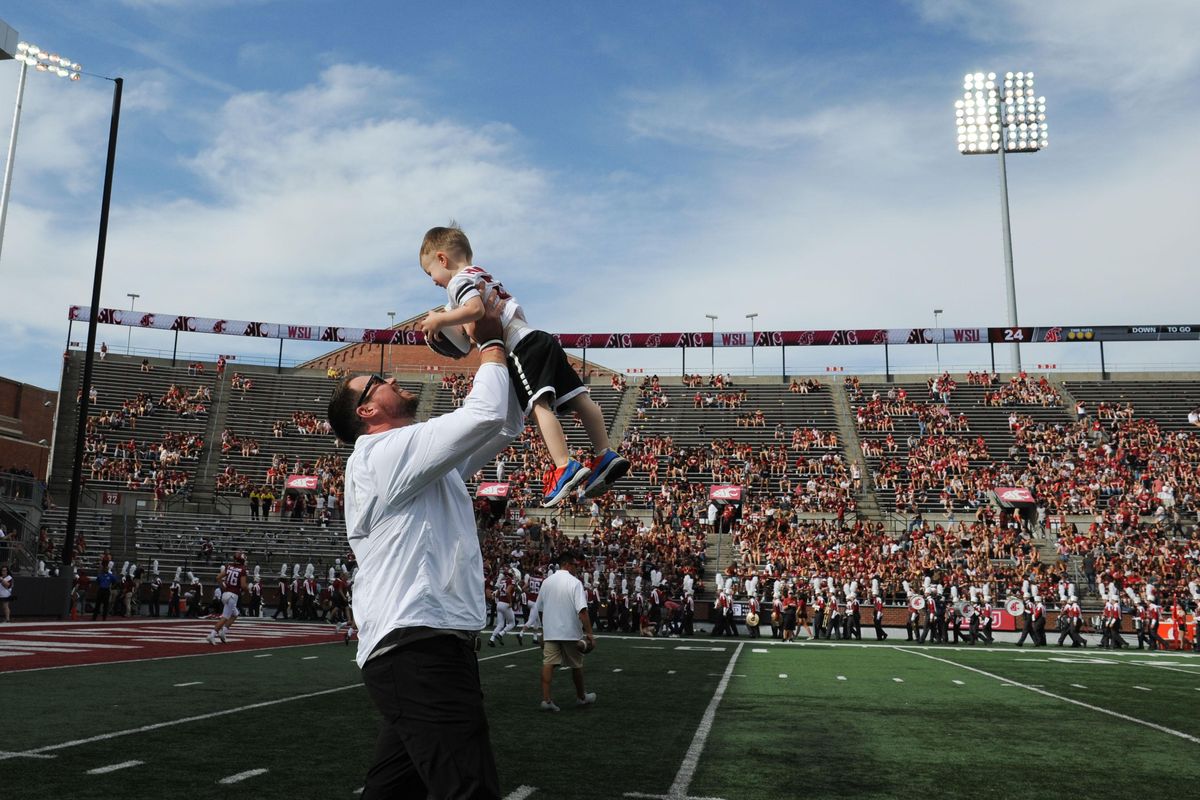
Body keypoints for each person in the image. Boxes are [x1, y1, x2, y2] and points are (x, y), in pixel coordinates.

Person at [327, 286, 518, 799]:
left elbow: (504, 421)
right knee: (468, 788)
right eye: (377, 383)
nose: (391, 378)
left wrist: (514, 336)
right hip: (417, 643)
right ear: (367, 413)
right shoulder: (380, 453)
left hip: (420, 643)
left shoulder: (412, 462)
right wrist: (489, 342)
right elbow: (482, 413)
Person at [417, 225, 629, 507]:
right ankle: (604, 453)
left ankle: (564, 465)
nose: (433, 282)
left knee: (539, 405)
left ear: (442, 259)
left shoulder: (458, 283)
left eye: (430, 273)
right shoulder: (481, 274)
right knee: (581, 398)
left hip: (520, 347)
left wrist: (440, 321)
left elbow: (477, 311)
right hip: (539, 337)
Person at [535, 551, 596, 711]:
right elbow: (582, 611)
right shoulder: (575, 582)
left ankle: (546, 700)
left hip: (551, 630)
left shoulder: (547, 582)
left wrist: (544, 628)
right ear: (567, 564)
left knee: (548, 663)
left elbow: (540, 609)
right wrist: (589, 633)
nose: (576, 567)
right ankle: (581, 697)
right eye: (575, 564)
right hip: (569, 631)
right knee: (576, 665)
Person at [207, 552, 248, 645]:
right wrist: (247, 589)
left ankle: (223, 632)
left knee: (235, 613)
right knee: (225, 617)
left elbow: (218, 578)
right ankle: (212, 635)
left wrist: (223, 587)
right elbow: (243, 585)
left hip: (225, 594)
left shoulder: (229, 566)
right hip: (233, 596)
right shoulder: (242, 570)